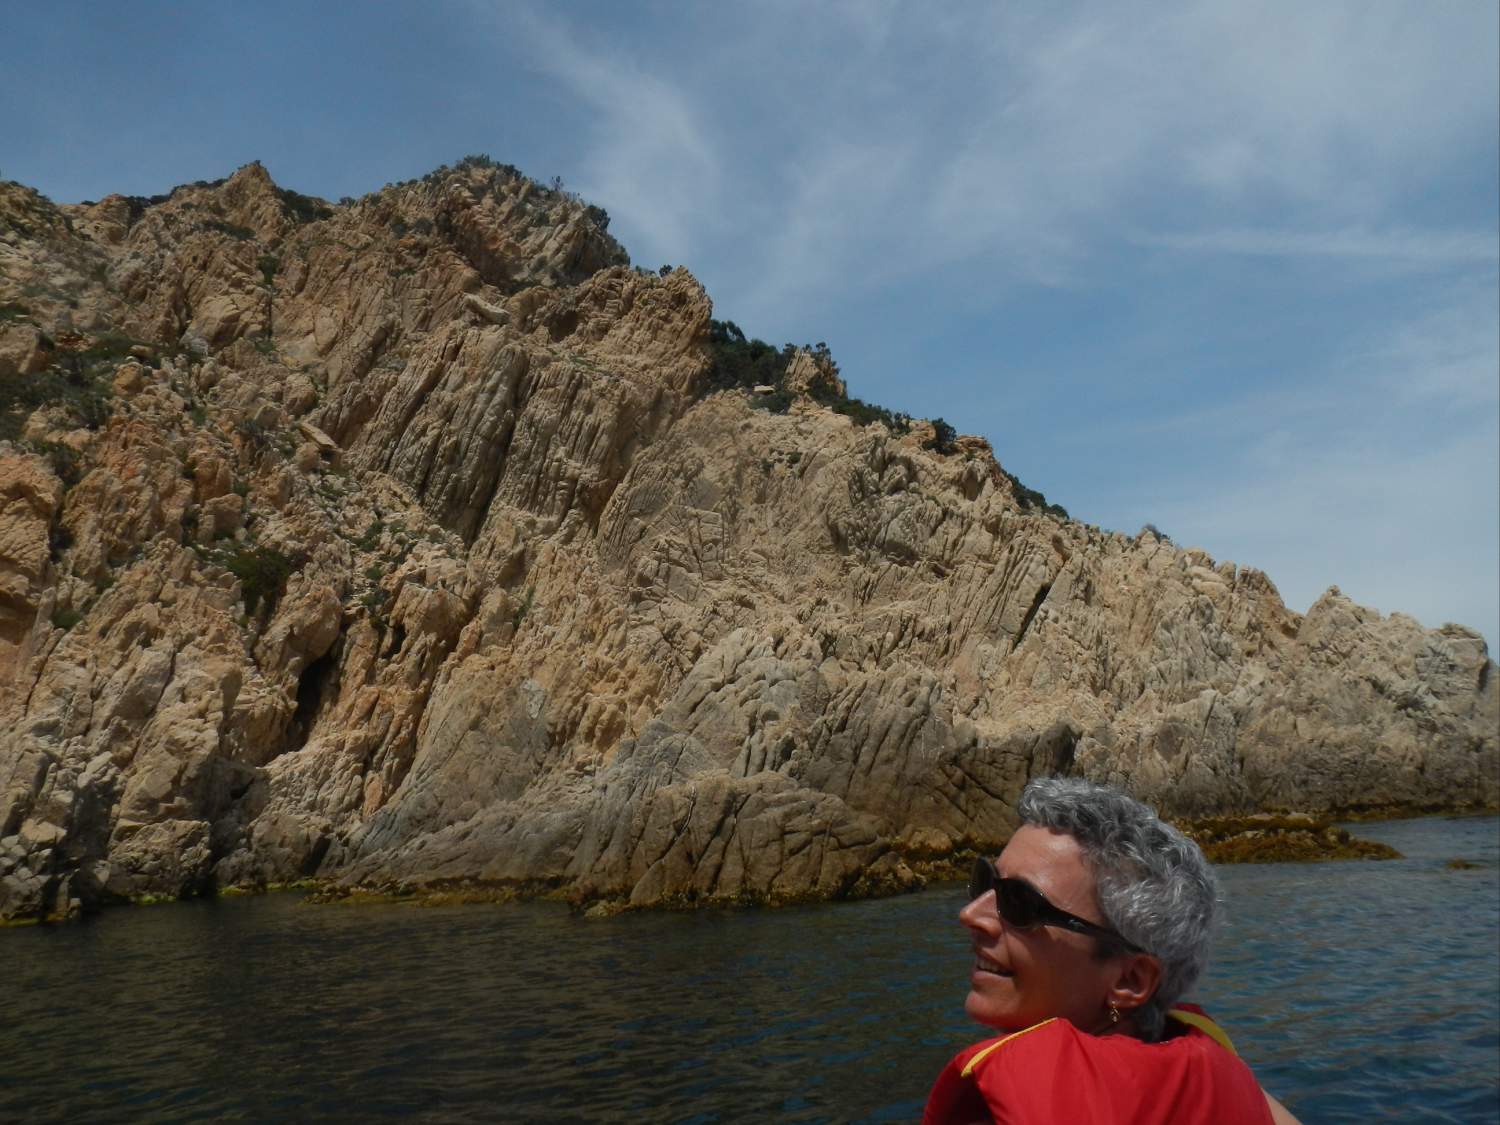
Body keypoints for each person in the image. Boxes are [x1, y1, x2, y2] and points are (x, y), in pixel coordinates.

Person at [923, 777, 1301, 1125]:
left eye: (1020, 903)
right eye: (985, 881)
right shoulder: (1233, 1087)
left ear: (1130, 979)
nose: (970, 914)